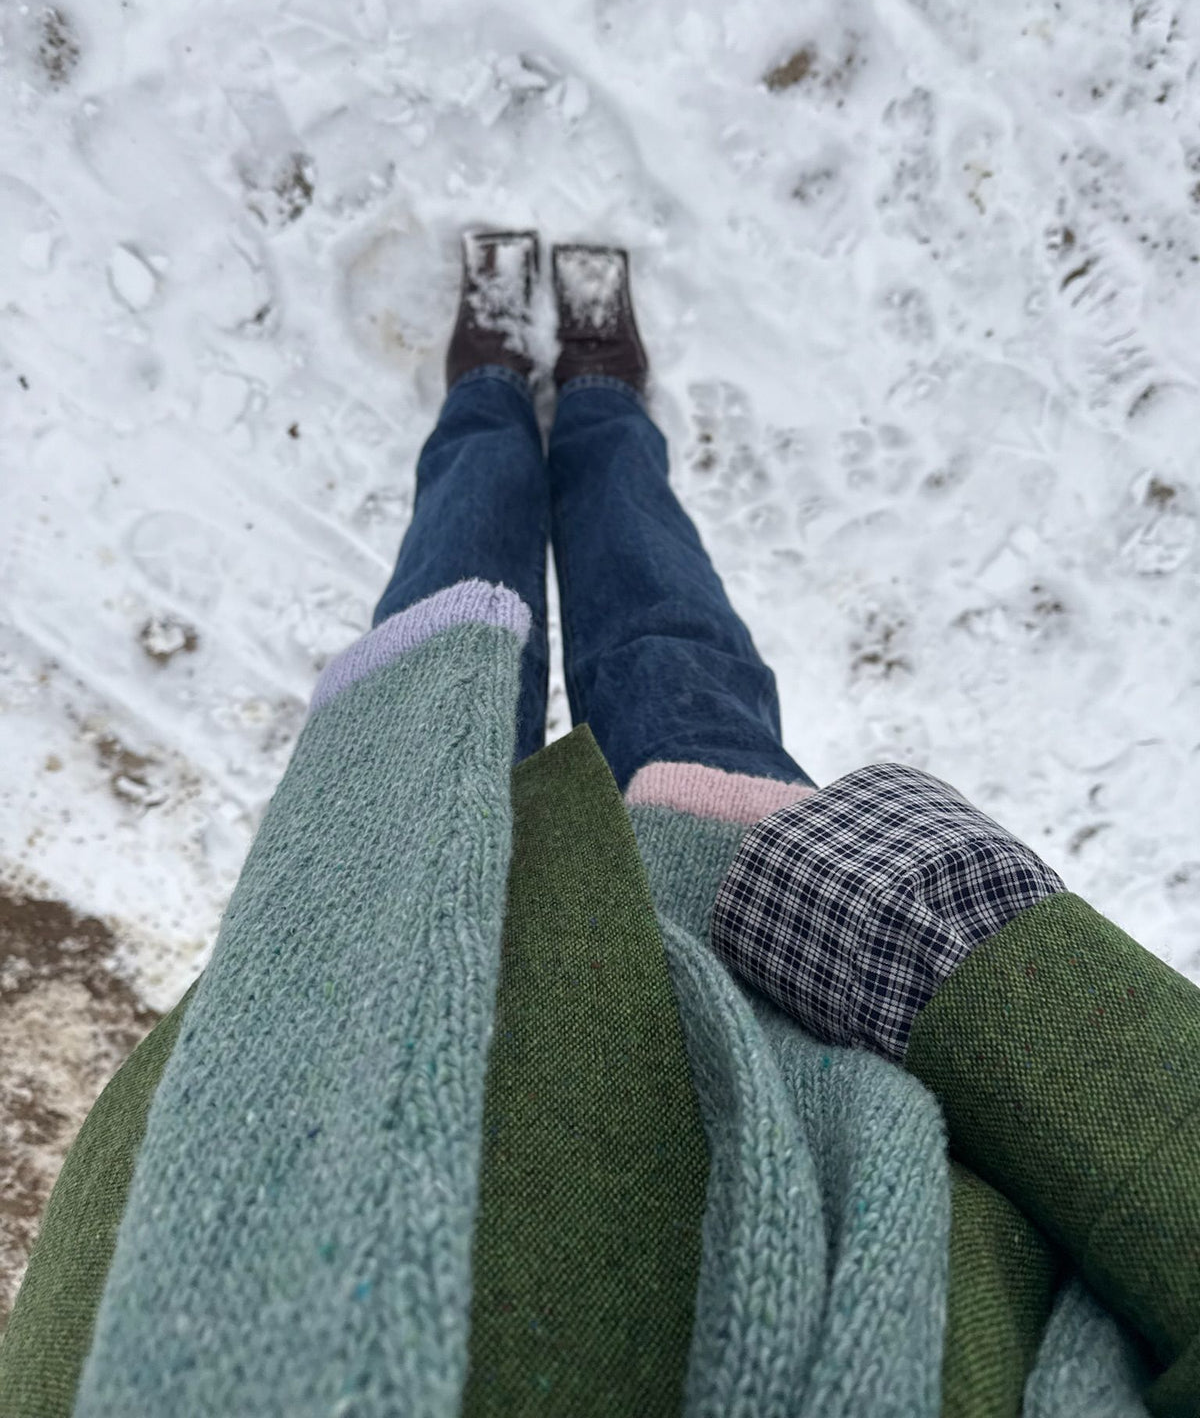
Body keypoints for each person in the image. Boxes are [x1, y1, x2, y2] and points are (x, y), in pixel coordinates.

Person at [1, 234, 1197, 1418]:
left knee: (453, 602)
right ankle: (600, 402)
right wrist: (967, 954)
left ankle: (486, 394)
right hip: (768, 966)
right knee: (672, 641)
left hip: (329, 1003)